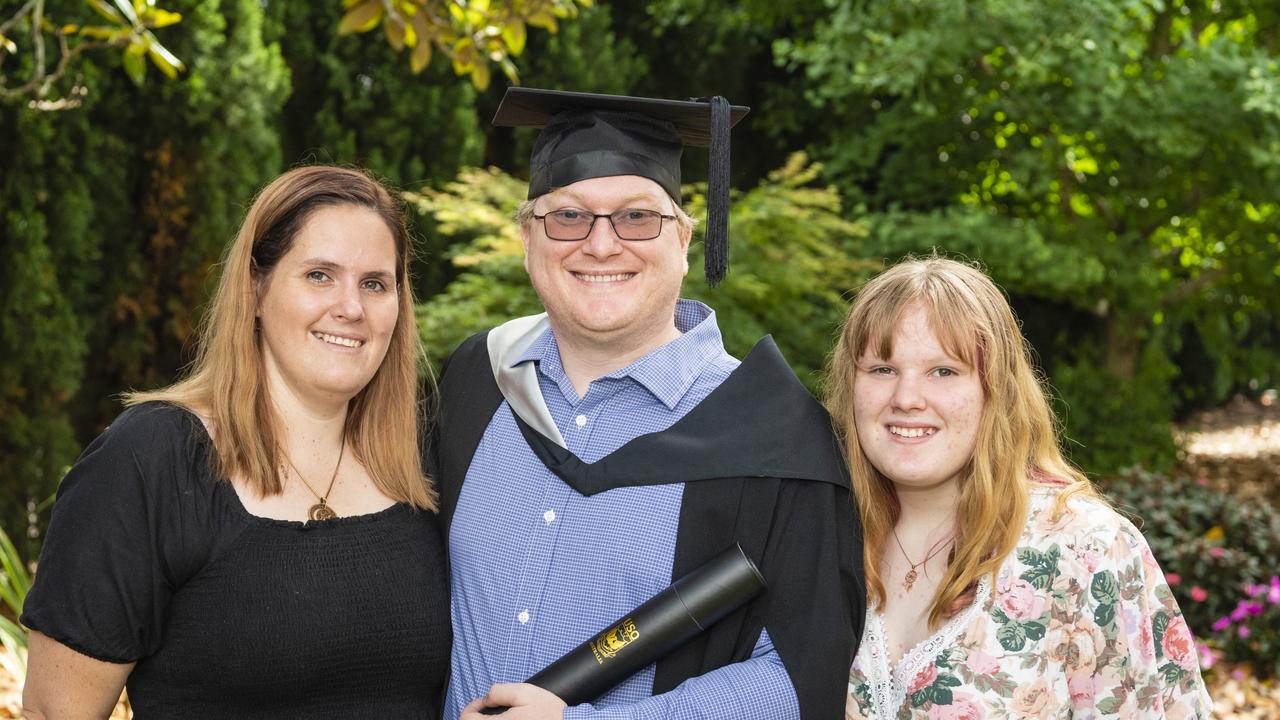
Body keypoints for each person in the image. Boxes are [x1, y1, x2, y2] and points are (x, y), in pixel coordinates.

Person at [431, 88, 862, 719]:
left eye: (637, 217)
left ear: (685, 240)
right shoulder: (475, 382)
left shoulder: (777, 439)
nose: (601, 245)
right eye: (568, 216)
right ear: (527, 238)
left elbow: (799, 680)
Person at [21, 166, 450, 719]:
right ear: (255, 290)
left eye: (375, 283)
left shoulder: (423, 463)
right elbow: (54, 715)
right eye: (320, 275)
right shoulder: (152, 461)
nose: (352, 307)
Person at [826, 257, 1213, 718]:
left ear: (996, 389)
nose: (907, 398)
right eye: (882, 369)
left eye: (944, 371)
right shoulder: (821, 531)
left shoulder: (1086, 549)